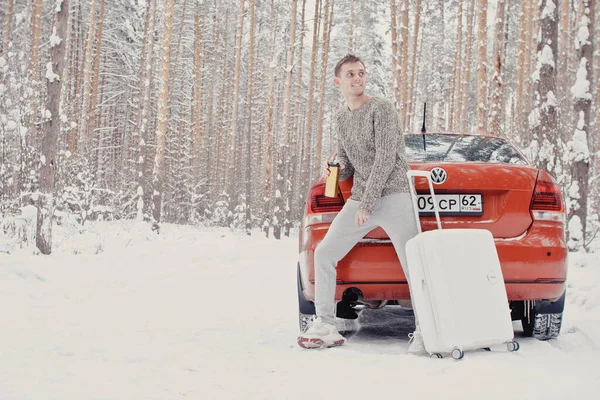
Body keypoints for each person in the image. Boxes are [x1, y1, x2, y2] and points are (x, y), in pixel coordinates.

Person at [297, 54, 425, 354]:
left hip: (393, 195)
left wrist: (368, 203)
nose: (357, 78)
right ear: (337, 81)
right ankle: (327, 325)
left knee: (413, 264)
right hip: (362, 198)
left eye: (361, 73)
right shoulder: (341, 118)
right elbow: (350, 164)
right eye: (351, 74)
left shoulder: (381, 108)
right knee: (325, 252)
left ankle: (426, 330)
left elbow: (385, 157)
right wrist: (335, 167)